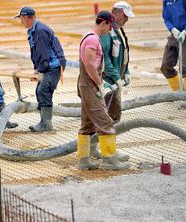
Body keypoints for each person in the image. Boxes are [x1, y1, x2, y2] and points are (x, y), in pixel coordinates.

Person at [77, 11, 130, 170]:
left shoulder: (91, 37)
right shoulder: (93, 39)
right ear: (105, 23)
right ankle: (109, 160)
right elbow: (89, 65)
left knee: (87, 124)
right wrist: (100, 84)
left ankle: (84, 160)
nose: (111, 29)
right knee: (105, 122)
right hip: (90, 85)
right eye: (110, 25)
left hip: (87, 85)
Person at [15, 6, 66, 132]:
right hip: (48, 65)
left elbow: (43, 55)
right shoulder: (34, 30)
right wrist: (37, 70)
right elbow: (36, 53)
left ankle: (46, 124)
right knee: (40, 90)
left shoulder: (40, 31)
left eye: (21, 18)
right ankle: (44, 121)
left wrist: (40, 70)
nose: (20, 21)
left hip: (54, 66)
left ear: (27, 17)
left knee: (43, 90)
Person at [100, 1, 134, 123]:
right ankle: (104, 141)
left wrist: (126, 72)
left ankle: (109, 141)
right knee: (108, 119)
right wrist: (116, 77)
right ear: (115, 12)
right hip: (109, 84)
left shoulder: (119, 31)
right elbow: (104, 59)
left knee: (114, 117)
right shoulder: (107, 31)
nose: (127, 20)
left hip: (116, 82)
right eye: (125, 16)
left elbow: (123, 54)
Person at [161, 0, 186, 91]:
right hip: (175, 34)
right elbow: (166, 18)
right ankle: (179, 92)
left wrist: (185, 31)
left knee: (185, 67)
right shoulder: (166, 1)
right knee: (166, 66)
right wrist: (172, 29)